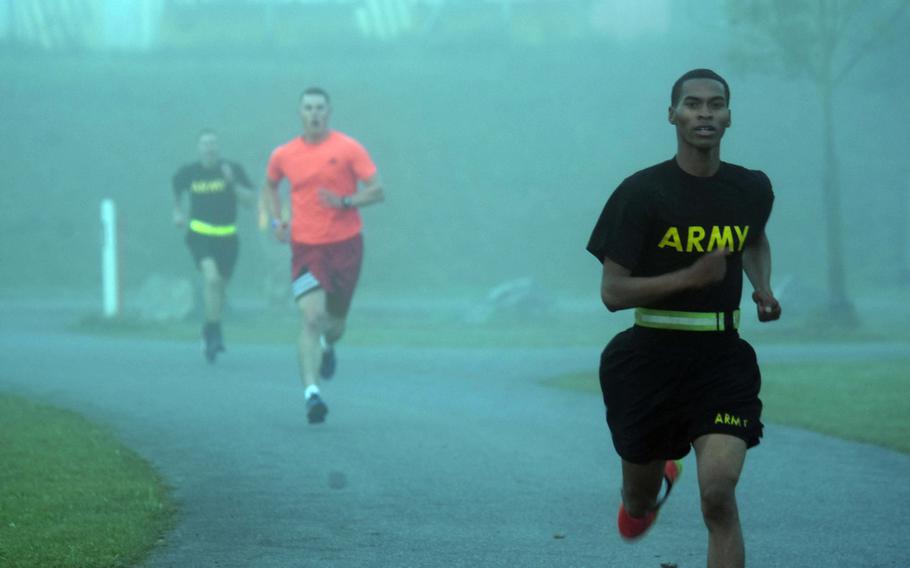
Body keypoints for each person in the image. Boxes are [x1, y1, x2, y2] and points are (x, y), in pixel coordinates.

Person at [586, 69, 781, 568]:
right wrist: (691, 277)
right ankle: (652, 488)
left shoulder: (751, 188)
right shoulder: (641, 194)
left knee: (718, 495)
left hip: (722, 362)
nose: (705, 113)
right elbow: (612, 292)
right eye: (692, 104)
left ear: (729, 116)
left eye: (715, 104)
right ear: (672, 114)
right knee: (637, 499)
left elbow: (754, 237)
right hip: (647, 361)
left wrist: (761, 287)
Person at [261, 87, 384, 424]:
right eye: (307, 108)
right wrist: (276, 221)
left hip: (345, 245)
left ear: (329, 112)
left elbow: (378, 190)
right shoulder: (284, 154)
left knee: (335, 325)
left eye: (319, 108)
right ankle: (312, 394)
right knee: (312, 319)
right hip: (305, 247)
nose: (314, 114)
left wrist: (345, 201)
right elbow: (270, 184)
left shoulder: (348, 149)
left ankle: (329, 347)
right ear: (299, 113)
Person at [172, 129, 255, 363]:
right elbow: (176, 192)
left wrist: (231, 182)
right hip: (200, 235)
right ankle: (215, 332)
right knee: (211, 279)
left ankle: (209, 329)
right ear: (199, 148)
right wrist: (177, 212)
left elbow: (249, 201)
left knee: (219, 289)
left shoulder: (232, 169)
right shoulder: (189, 173)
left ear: (218, 148)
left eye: (213, 143)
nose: (209, 148)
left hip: (228, 238)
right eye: (205, 144)